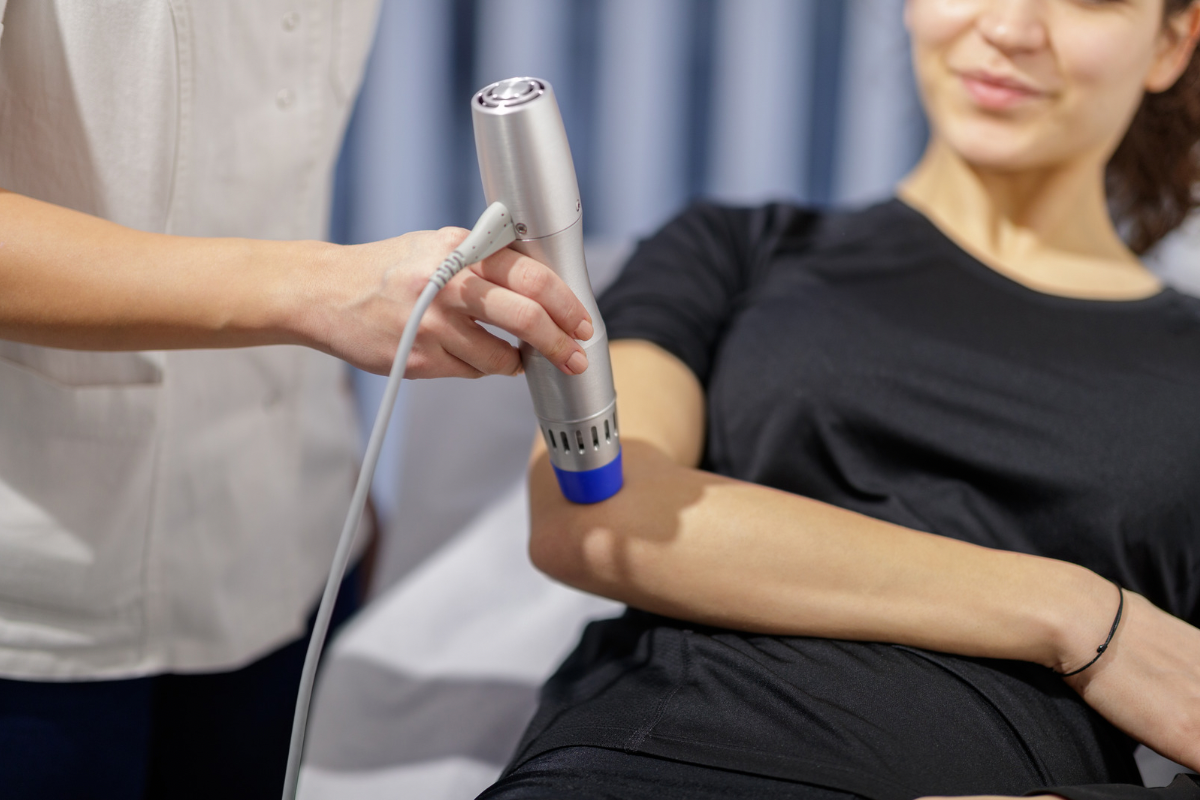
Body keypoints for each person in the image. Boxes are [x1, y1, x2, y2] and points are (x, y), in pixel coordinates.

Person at [480, 1, 1200, 799]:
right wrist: (1076, 612)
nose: (1009, 28)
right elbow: (596, 509)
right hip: (646, 762)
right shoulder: (737, 250)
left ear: (1172, 41)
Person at [0, 2, 590, 798]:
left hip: (292, 545)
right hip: (39, 607)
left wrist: (343, 464)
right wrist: (318, 292)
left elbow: (264, 171)